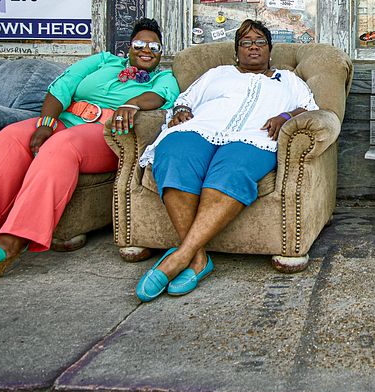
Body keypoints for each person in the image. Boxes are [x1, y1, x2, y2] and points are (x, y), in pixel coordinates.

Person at [0, 19, 179, 277]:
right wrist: (46, 123)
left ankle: (12, 240)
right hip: (66, 121)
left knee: (61, 146)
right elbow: (64, 84)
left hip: (106, 135)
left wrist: (132, 103)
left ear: (161, 51)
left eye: (154, 45)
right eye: (140, 43)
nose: (146, 49)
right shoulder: (103, 61)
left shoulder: (164, 77)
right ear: (129, 47)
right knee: (9, 138)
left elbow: (161, 96)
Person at [134, 19, 318, 301]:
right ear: (237, 52)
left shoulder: (289, 80)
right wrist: (182, 109)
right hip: (201, 127)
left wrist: (285, 117)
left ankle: (179, 258)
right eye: (246, 43)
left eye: (260, 42)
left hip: (254, 136)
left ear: (270, 50)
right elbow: (185, 99)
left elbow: (310, 109)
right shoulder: (217, 74)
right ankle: (196, 259)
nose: (253, 47)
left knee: (232, 172)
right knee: (173, 156)